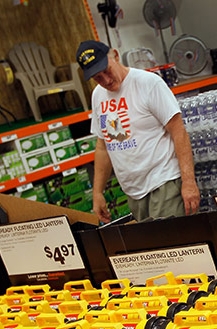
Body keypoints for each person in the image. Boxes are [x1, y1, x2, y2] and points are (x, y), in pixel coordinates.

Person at [76, 40, 200, 223]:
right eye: (98, 78)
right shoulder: (98, 96)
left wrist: (189, 182)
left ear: (115, 56)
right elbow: (103, 145)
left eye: (107, 71)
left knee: (175, 247)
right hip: (134, 193)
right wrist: (97, 192)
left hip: (164, 184)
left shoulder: (148, 84)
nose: (106, 80)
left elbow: (178, 131)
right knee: (149, 250)